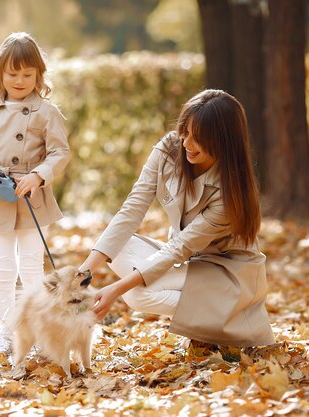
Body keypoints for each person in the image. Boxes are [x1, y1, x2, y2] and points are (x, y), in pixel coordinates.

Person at [80, 89, 275, 348]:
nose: (186, 144)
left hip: (224, 271)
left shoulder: (229, 194)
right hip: (188, 261)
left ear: (223, 141)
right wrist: (81, 274)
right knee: (115, 246)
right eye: (185, 132)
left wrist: (115, 290)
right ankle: (202, 317)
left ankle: (221, 317)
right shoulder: (169, 149)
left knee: (137, 296)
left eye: (199, 138)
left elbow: (179, 248)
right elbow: (133, 208)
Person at [0, 32, 70, 354]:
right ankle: (6, 329)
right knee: (2, 269)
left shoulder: (46, 111)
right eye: (13, 74)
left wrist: (38, 176)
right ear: (0, 74)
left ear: (39, 75)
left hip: (31, 199)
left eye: (28, 74)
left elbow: (60, 152)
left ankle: (38, 330)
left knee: (30, 268)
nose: (20, 80)